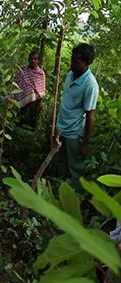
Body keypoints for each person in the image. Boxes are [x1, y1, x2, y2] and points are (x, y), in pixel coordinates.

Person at [55, 43, 99, 187]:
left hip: (74, 133)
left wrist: (85, 143)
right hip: (61, 127)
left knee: (74, 167)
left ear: (86, 63)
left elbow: (90, 115)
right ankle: (58, 187)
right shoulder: (70, 74)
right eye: (72, 60)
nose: (72, 64)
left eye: (76, 62)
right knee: (60, 161)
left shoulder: (90, 85)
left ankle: (74, 196)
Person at [13, 51, 46, 126]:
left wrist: (34, 94)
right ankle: (20, 131)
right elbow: (16, 82)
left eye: (35, 59)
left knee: (32, 118)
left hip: (35, 100)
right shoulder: (23, 70)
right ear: (28, 60)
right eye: (31, 59)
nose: (33, 60)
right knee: (22, 117)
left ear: (38, 61)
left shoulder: (41, 73)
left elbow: (41, 89)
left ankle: (29, 132)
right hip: (23, 98)